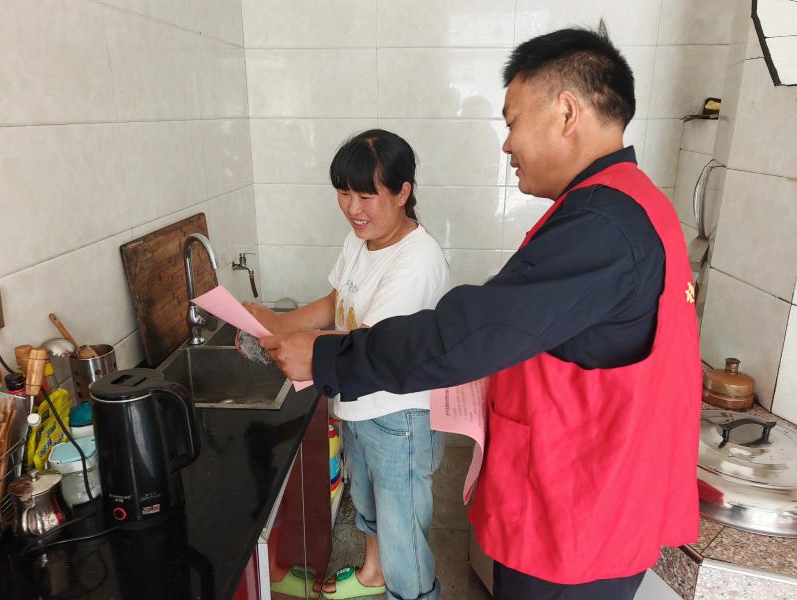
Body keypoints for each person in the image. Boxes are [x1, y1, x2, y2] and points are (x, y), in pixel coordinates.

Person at [261, 26, 702, 600]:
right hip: (584, 499)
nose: (507, 145)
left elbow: (470, 333)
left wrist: (326, 357)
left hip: (577, 519)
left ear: (567, 112)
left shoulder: (603, 224)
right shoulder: (621, 205)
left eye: (513, 122)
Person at [244, 129, 450, 600]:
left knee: (402, 532)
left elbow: (368, 345)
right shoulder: (362, 239)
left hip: (400, 416)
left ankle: (413, 593)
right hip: (358, 403)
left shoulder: (417, 262)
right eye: (343, 193)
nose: (353, 208)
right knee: (369, 503)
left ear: (402, 192)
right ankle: (374, 573)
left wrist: (299, 346)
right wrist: (277, 323)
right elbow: (336, 301)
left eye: (365, 195)